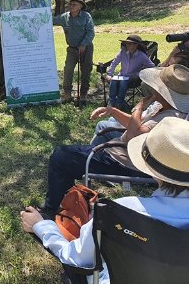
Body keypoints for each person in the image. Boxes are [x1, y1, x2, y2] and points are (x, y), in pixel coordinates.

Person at [21, 117, 189, 284]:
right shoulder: (121, 212)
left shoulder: (123, 212)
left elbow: (75, 257)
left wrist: (41, 226)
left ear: (150, 168)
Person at [41, 64, 189, 216]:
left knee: (61, 156)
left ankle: (50, 210)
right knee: (70, 156)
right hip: (125, 154)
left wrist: (139, 107)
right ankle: (66, 201)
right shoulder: (162, 107)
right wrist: (112, 111)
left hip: (127, 163)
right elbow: (135, 124)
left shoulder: (169, 117)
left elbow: (134, 135)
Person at [53, 0, 95, 103]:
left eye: (74, 4)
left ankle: (83, 94)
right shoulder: (65, 17)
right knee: (68, 69)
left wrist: (83, 44)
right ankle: (67, 94)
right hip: (72, 49)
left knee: (86, 70)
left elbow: (91, 32)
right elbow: (52, 20)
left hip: (86, 48)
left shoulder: (86, 17)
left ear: (80, 7)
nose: (71, 6)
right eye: (70, 4)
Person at [104, 35, 155, 110]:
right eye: (127, 43)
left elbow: (152, 66)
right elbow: (114, 63)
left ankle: (120, 102)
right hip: (121, 75)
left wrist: (138, 74)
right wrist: (109, 74)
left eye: (129, 43)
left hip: (134, 78)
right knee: (114, 81)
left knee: (123, 82)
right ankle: (111, 102)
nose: (127, 45)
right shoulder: (123, 52)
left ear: (136, 45)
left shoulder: (142, 56)